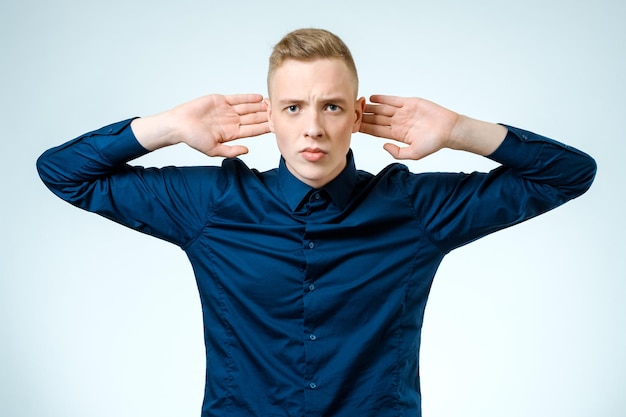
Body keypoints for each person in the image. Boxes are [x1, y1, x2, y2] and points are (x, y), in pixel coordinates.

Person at [37, 28, 596, 417]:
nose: (312, 129)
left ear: (356, 117)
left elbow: (569, 175)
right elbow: (64, 173)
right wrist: (165, 125)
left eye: (331, 107)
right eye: (293, 107)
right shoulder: (211, 203)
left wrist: (459, 130)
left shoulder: (414, 210)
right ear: (271, 117)